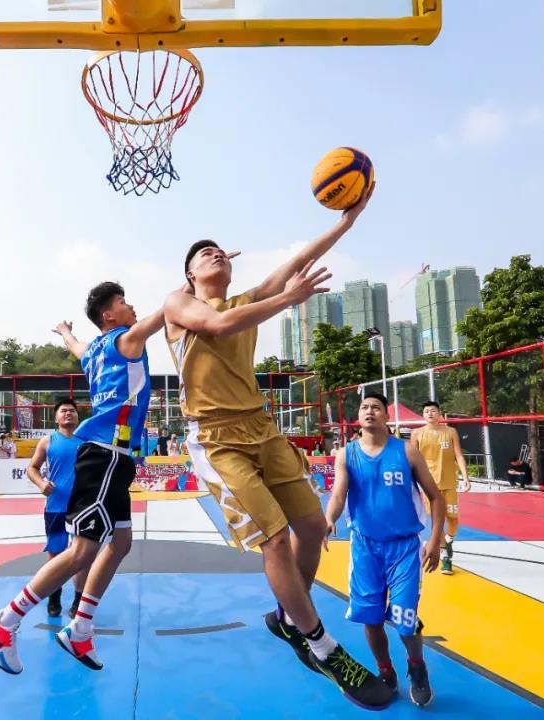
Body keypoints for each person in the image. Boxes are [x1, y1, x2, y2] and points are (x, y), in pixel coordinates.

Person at [161, 188, 395, 710]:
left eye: (219, 251)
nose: (214, 254)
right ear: (189, 275)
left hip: (262, 429)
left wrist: (347, 222)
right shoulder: (178, 305)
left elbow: (295, 263)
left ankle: (290, 618)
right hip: (217, 439)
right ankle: (323, 646)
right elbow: (218, 323)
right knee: (274, 540)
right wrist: (288, 298)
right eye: (203, 254)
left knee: (312, 527)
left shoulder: (244, 300)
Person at [0, 282, 164, 675]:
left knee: (121, 542)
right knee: (82, 551)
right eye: (123, 302)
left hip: (116, 459)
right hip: (105, 455)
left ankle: (80, 628)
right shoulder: (127, 339)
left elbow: (77, 347)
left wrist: (65, 332)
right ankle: (5, 621)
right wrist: (195, 280)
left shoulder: (94, 350)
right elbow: (168, 312)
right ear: (109, 316)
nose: (132, 306)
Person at [324, 392, 446, 707]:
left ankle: (417, 666)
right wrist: (329, 518)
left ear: (386, 416)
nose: (369, 411)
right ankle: (386, 670)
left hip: (404, 549)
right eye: (364, 407)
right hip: (365, 548)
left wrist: (435, 540)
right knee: (371, 617)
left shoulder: (406, 451)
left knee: (405, 620)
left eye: (376, 407)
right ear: (358, 416)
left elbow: (436, 496)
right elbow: (338, 495)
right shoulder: (347, 454)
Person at [26, 399, 87, 620]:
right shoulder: (47, 441)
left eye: (72, 411)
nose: (68, 414)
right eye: (63, 411)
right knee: (55, 553)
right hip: (56, 506)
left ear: (78, 416)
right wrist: (41, 483)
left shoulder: (87, 442)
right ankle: (54, 596)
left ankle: (79, 599)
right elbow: (32, 468)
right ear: (56, 417)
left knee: (83, 555)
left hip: (83, 506)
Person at [411, 401, 470, 575]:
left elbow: (458, 455)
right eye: (426, 411)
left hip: (449, 482)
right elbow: (413, 459)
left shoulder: (450, 432)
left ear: (439, 414)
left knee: (453, 518)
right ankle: (446, 557)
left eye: (433, 410)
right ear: (423, 415)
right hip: (428, 484)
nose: (430, 413)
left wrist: (465, 477)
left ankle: (449, 540)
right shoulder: (417, 433)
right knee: (437, 520)